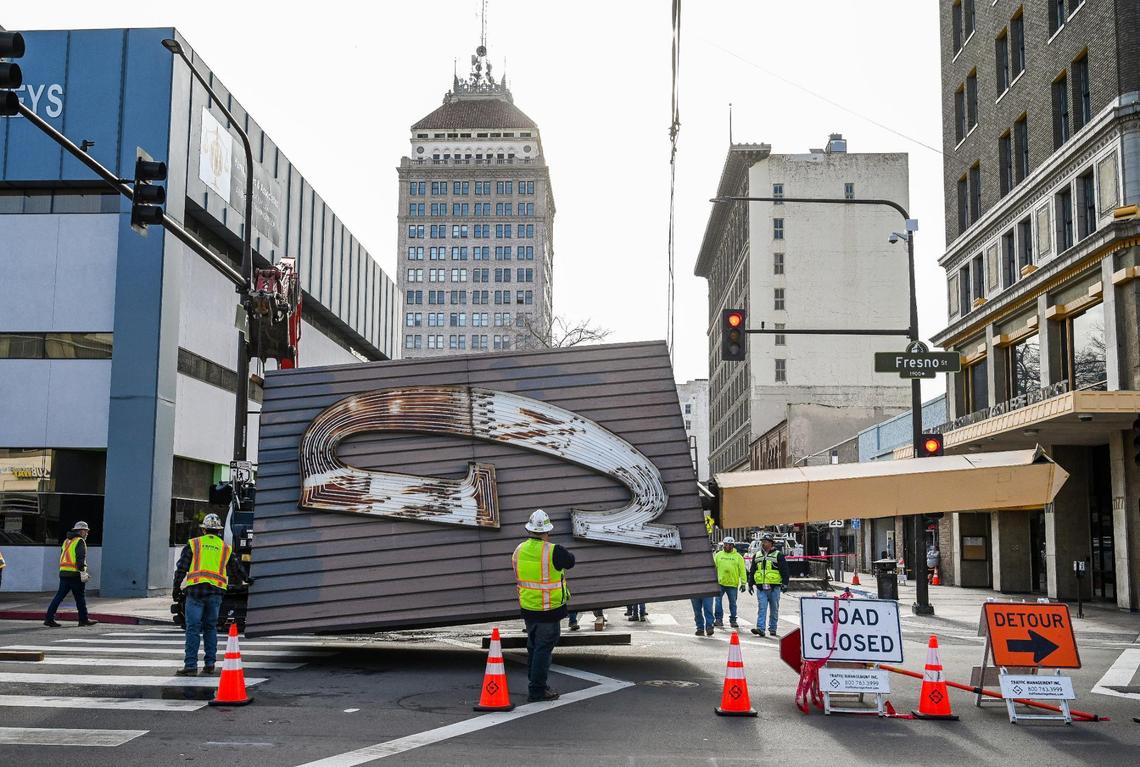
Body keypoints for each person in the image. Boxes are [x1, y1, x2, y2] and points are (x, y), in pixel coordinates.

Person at [172, 513, 246, 676]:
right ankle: (210, 664)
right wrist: (248, 579)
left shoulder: (194, 544)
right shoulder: (225, 548)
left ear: (204, 530)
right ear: (219, 531)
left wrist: (176, 588)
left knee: (193, 628)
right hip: (215, 594)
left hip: (195, 592)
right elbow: (237, 569)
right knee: (210, 627)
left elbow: (182, 568)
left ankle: (190, 666)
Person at [513, 509, 574, 702]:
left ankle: (535, 682)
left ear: (529, 530)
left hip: (528, 608)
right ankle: (537, 690)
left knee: (534, 647)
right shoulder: (554, 550)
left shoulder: (519, 550)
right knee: (543, 650)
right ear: (548, 530)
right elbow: (570, 562)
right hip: (549, 610)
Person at [44, 521, 97, 628]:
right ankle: (83, 620)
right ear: (81, 531)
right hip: (75, 574)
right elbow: (80, 558)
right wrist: (83, 571)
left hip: (64, 573)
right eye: (86, 531)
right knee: (80, 598)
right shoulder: (80, 541)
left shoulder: (66, 541)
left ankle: (49, 619)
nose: (87, 533)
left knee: (59, 597)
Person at [748, 534, 789, 637]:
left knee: (774, 609)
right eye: (763, 541)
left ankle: (772, 628)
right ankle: (760, 628)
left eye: (766, 541)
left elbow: (785, 571)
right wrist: (750, 584)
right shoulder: (757, 555)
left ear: (771, 543)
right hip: (761, 587)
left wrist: (785, 583)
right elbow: (753, 570)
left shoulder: (778, 555)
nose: (763, 543)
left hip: (774, 587)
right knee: (762, 607)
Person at [713, 537, 746, 628]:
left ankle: (733, 620)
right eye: (725, 544)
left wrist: (743, 583)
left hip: (732, 584)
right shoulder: (718, 555)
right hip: (720, 583)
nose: (727, 546)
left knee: (733, 603)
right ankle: (718, 619)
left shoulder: (738, 557)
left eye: (729, 545)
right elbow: (714, 568)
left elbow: (742, 570)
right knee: (718, 602)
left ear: (732, 546)